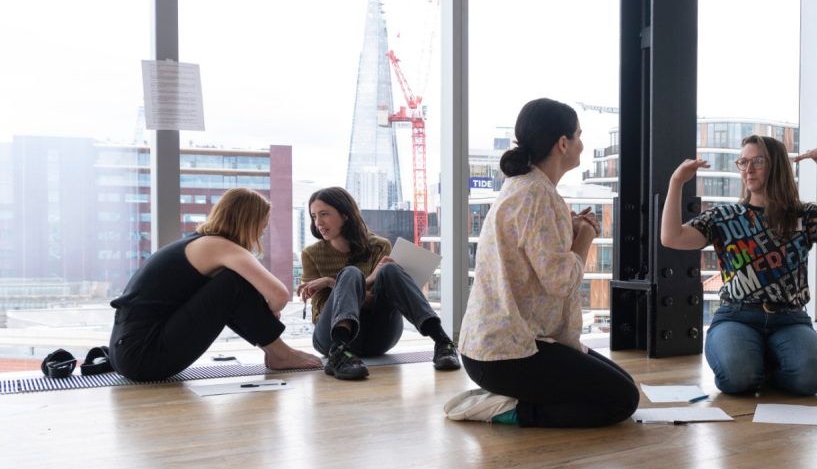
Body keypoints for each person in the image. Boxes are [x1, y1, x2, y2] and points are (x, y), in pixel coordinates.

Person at [445, 98, 639, 426]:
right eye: (578, 135)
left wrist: (571, 230)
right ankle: (504, 410)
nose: (582, 143)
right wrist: (586, 236)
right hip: (508, 355)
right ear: (563, 143)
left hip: (493, 350)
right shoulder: (538, 196)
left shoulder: (525, 187)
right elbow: (561, 280)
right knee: (621, 401)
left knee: (622, 384)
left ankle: (510, 396)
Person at [660, 135, 817, 396]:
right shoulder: (724, 217)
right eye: (743, 162)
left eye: (757, 162)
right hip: (736, 316)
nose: (748, 169)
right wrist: (676, 182)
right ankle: (753, 361)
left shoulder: (803, 216)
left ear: (776, 166)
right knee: (737, 377)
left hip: (790, 319)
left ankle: (766, 364)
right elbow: (672, 237)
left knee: (812, 378)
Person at [109, 188, 322, 381]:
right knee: (234, 282)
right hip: (144, 355)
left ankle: (278, 353)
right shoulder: (220, 246)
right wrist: (264, 311)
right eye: (262, 225)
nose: (262, 232)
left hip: (127, 353)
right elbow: (279, 296)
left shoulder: (199, 243)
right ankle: (280, 354)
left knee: (232, 285)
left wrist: (257, 311)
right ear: (247, 221)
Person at [300, 186, 459, 380]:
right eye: (314, 216)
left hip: (378, 335)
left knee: (390, 269)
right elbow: (324, 309)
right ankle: (339, 353)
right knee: (350, 273)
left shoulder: (379, 246)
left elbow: (376, 301)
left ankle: (442, 342)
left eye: (324, 214)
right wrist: (351, 281)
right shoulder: (311, 254)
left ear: (345, 214)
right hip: (331, 338)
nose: (318, 223)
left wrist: (335, 285)